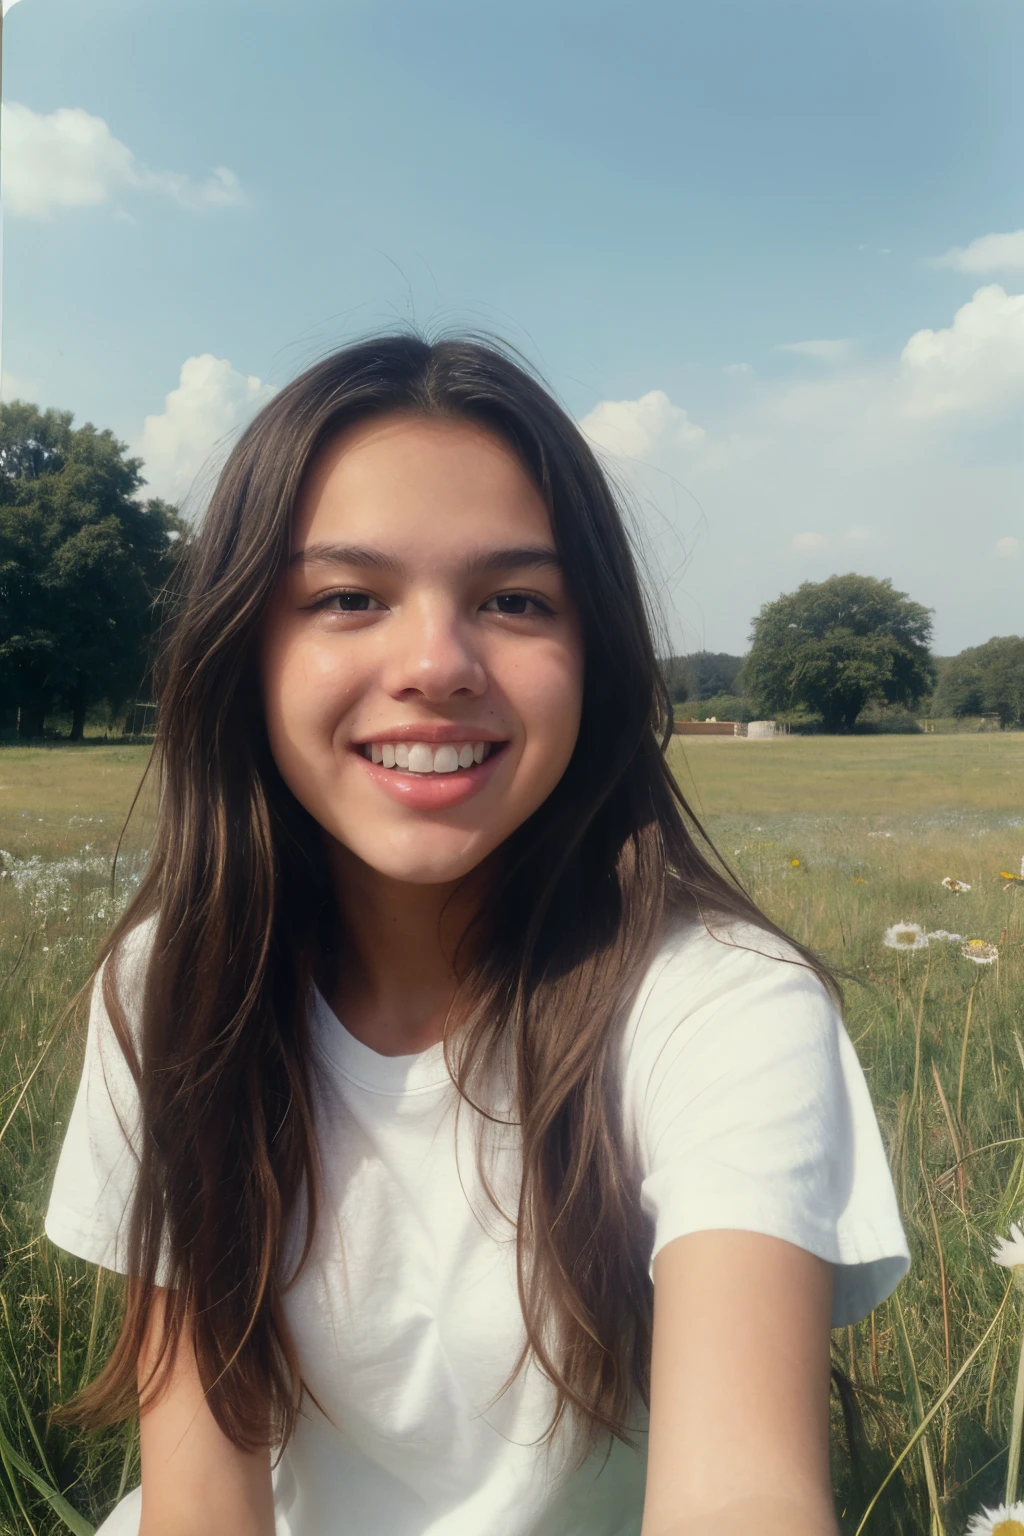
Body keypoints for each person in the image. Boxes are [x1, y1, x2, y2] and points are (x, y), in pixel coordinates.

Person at [44, 334, 910, 1536]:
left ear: (594, 657)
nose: (436, 666)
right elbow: (201, 1501)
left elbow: (745, 1496)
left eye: (514, 600)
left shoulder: (724, 1008)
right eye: (347, 597)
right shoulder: (167, 990)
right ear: (243, 650)